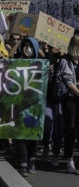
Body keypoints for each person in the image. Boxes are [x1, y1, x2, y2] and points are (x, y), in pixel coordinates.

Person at [13, 37, 40, 177]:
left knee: (33, 135)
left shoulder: (42, 65)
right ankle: (22, 163)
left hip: (35, 106)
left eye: (30, 46)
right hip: (20, 104)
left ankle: (31, 160)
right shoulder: (17, 63)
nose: (28, 48)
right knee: (21, 135)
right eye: (25, 45)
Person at [60, 34, 79, 174]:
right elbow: (69, 82)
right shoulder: (66, 61)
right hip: (71, 100)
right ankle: (70, 161)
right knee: (71, 129)